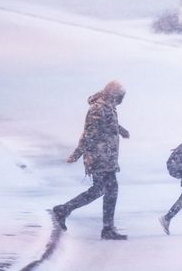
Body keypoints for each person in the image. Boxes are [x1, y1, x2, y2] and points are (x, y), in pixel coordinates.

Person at [52, 80, 130, 240]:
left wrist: (121, 130)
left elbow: (108, 124)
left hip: (105, 157)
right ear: (113, 94)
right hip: (98, 157)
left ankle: (106, 227)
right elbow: (89, 134)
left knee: (108, 190)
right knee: (101, 190)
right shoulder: (98, 108)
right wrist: (77, 154)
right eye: (120, 97)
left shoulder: (107, 107)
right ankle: (64, 210)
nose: (121, 100)